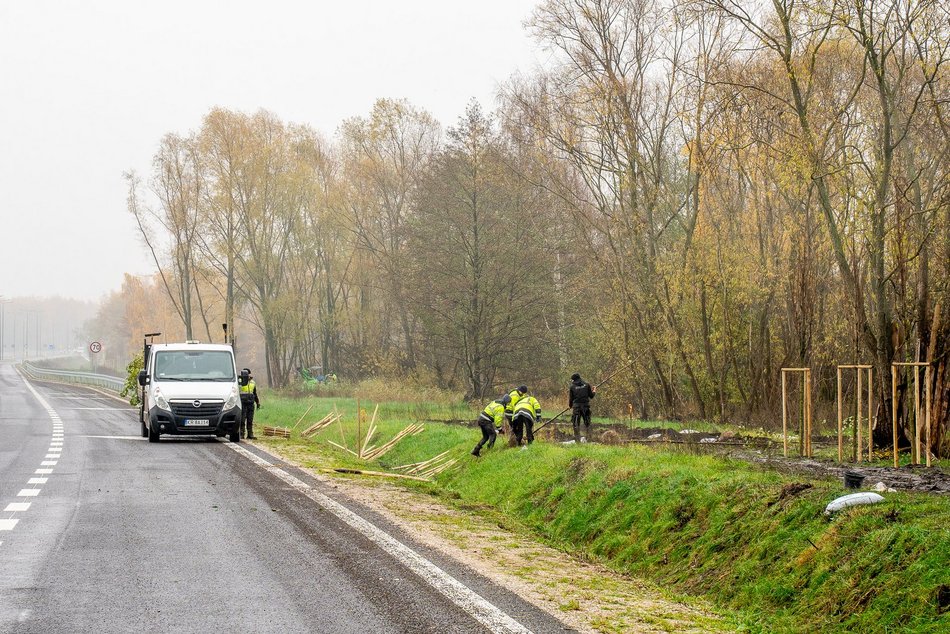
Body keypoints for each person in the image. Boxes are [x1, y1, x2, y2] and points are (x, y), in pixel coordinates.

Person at [568, 373, 595, 443]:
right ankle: (589, 439)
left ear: (573, 380)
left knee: (576, 424)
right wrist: (594, 391)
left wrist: (570, 406)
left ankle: (577, 441)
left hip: (577, 408)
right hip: (586, 407)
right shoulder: (587, 385)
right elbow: (591, 396)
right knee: (588, 423)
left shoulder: (572, 387)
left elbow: (571, 399)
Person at [239, 368, 261, 439]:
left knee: (250, 419)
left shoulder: (253, 382)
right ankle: (241, 434)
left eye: (247, 374)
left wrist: (257, 402)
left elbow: (254, 393)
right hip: (242, 403)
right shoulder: (239, 382)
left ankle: (250, 434)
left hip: (251, 403)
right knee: (242, 419)